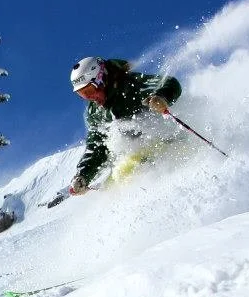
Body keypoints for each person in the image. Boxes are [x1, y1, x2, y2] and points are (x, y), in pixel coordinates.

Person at [68, 57, 182, 195]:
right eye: (83, 94)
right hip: (131, 159)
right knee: (113, 185)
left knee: (127, 173)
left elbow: (170, 83)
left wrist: (161, 97)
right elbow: (97, 145)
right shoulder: (95, 113)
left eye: (89, 90)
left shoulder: (130, 86)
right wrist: (83, 175)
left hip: (166, 143)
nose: (90, 97)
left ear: (101, 78)